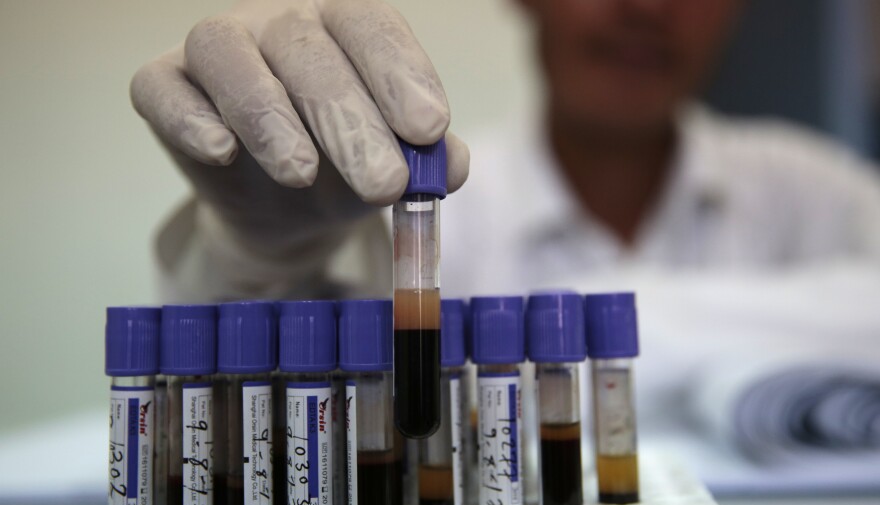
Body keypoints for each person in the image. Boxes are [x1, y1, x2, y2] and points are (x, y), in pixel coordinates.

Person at [132, 0, 880, 302]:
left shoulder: (823, 194)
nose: (647, 9)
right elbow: (242, 417)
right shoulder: (421, 206)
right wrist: (255, 254)